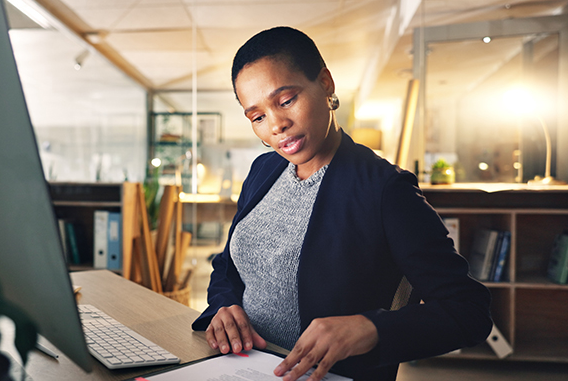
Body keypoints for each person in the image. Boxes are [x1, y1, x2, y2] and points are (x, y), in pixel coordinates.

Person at [191, 26, 492, 381]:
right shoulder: (263, 169)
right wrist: (224, 305)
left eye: (286, 100)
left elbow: (468, 311)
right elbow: (229, 265)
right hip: (240, 367)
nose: (277, 125)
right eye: (257, 117)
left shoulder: (385, 189)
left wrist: (370, 328)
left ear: (326, 83)